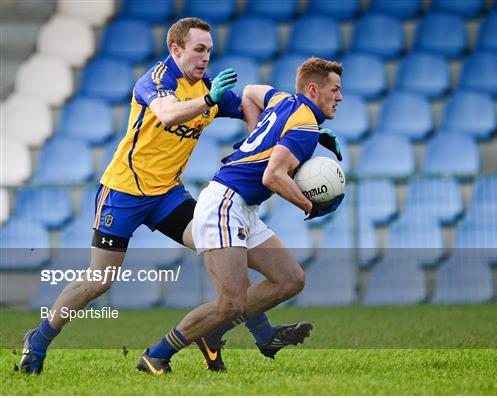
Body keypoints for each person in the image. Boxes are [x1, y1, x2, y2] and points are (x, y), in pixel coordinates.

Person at [20, 17, 322, 375]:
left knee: (224, 250)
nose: (205, 57)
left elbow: (252, 107)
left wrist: (300, 129)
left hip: (168, 196)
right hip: (123, 193)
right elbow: (166, 114)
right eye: (198, 49)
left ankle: (244, 335)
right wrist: (209, 99)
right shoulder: (156, 81)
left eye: (208, 50)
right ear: (175, 50)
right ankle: (37, 341)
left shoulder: (207, 87)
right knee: (99, 280)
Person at [138, 57, 345, 374]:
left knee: (291, 279)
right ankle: (156, 354)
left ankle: (214, 333)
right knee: (229, 303)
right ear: (314, 89)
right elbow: (273, 177)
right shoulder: (304, 127)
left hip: (242, 206)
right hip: (225, 204)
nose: (340, 97)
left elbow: (249, 92)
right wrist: (310, 205)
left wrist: (255, 133)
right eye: (335, 90)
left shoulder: (282, 99)